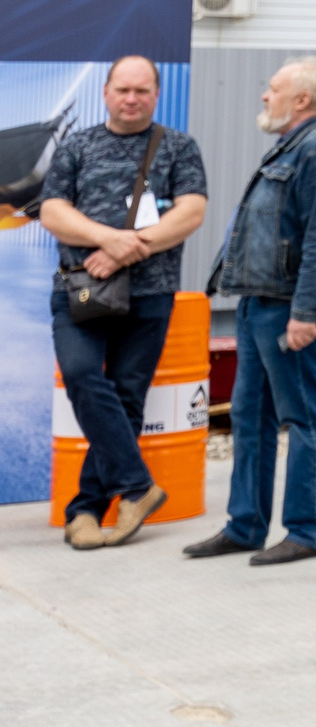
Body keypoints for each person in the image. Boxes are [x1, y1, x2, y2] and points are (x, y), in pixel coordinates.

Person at [187, 57, 316, 566]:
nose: (265, 95)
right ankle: (245, 526)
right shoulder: (290, 147)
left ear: (302, 99)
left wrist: (307, 313)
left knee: (303, 417)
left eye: (273, 88)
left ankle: (307, 531)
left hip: (288, 308)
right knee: (249, 415)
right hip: (258, 301)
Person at [39, 56, 207, 550]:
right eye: (123, 90)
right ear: (106, 93)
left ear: (156, 94)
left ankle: (85, 511)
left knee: (128, 397)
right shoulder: (77, 146)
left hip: (150, 293)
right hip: (80, 290)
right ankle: (137, 486)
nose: (131, 99)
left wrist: (127, 251)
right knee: (82, 375)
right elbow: (53, 212)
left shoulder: (178, 147)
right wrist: (108, 240)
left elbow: (191, 212)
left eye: (142, 90)